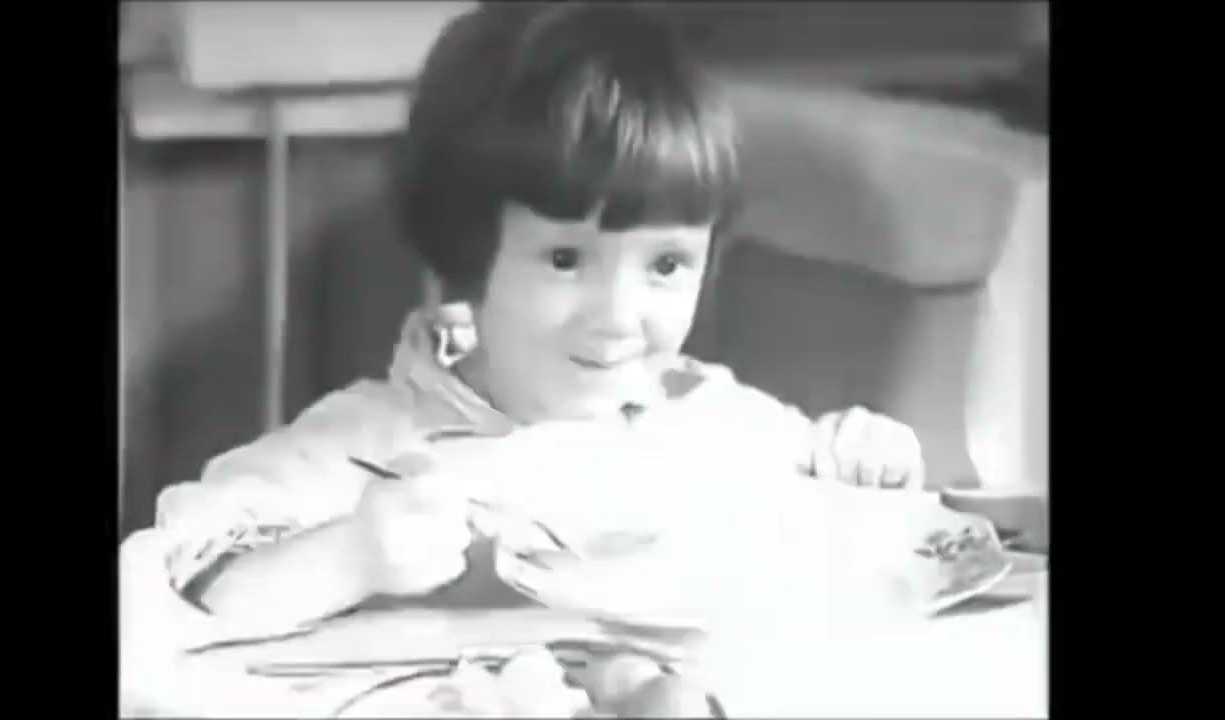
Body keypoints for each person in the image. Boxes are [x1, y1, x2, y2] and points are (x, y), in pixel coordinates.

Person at [120, 2, 924, 645]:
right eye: (566, 260)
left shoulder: (719, 422)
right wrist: (347, 559)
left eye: (667, 265)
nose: (619, 317)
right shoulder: (372, 448)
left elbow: (845, 541)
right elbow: (181, 585)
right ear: (469, 255)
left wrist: (863, 465)